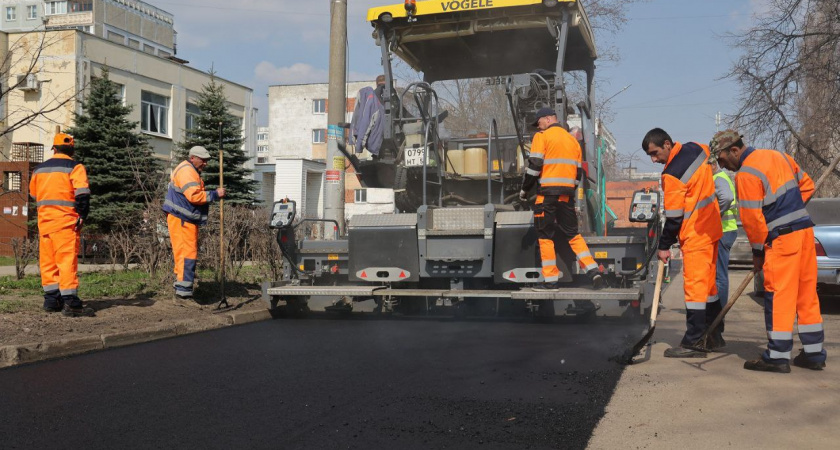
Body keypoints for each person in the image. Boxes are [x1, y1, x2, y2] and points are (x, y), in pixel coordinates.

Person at [712, 129, 826, 373]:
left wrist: (758, 252)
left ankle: (777, 356)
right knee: (806, 294)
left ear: (734, 150)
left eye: (722, 160)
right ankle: (814, 354)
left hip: (782, 239)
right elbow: (807, 185)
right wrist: (790, 209)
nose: (724, 166)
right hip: (805, 233)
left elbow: (753, 220)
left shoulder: (746, 174)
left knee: (778, 296)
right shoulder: (780, 156)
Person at [642, 128, 722, 357]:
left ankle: (694, 342)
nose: (654, 159)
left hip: (696, 234)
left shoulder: (672, 174)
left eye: (655, 153)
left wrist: (664, 245)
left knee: (695, 288)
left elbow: (675, 217)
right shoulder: (697, 149)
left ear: (667, 144)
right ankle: (715, 335)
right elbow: (712, 156)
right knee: (709, 288)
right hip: (712, 229)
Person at [519, 107, 604, 291]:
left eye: (539, 122)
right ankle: (593, 270)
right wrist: (568, 191)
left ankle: (550, 281)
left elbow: (534, 166)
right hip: (566, 196)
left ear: (548, 119)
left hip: (546, 196)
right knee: (573, 234)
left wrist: (525, 190)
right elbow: (578, 174)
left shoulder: (542, 137)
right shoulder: (572, 141)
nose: (538, 126)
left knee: (545, 236)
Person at [29, 132, 94, 317]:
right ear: (72, 150)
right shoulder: (75, 167)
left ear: (54, 148)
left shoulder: (39, 169)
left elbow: (34, 194)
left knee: (48, 263)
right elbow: (82, 193)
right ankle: (71, 303)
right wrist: (82, 214)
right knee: (66, 262)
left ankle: (51, 300)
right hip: (65, 222)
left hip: (45, 222)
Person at [162, 146, 225, 301]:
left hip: (182, 219)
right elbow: (194, 196)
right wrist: (215, 194)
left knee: (183, 254)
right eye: (203, 160)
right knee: (187, 254)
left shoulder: (188, 170)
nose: (205, 163)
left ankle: (181, 289)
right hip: (182, 219)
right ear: (193, 158)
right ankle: (183, 293)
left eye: (206, 160)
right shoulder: (187, 171)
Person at [710, 156, 739, 325]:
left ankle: (718, 316)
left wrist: (713, 217)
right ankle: (717, 313)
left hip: (723, 230)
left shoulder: (718, 178)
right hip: (726, 230)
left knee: (719, 276)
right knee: (718, 275)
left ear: (712, 165)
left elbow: (726, 198)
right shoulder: (722, 177)